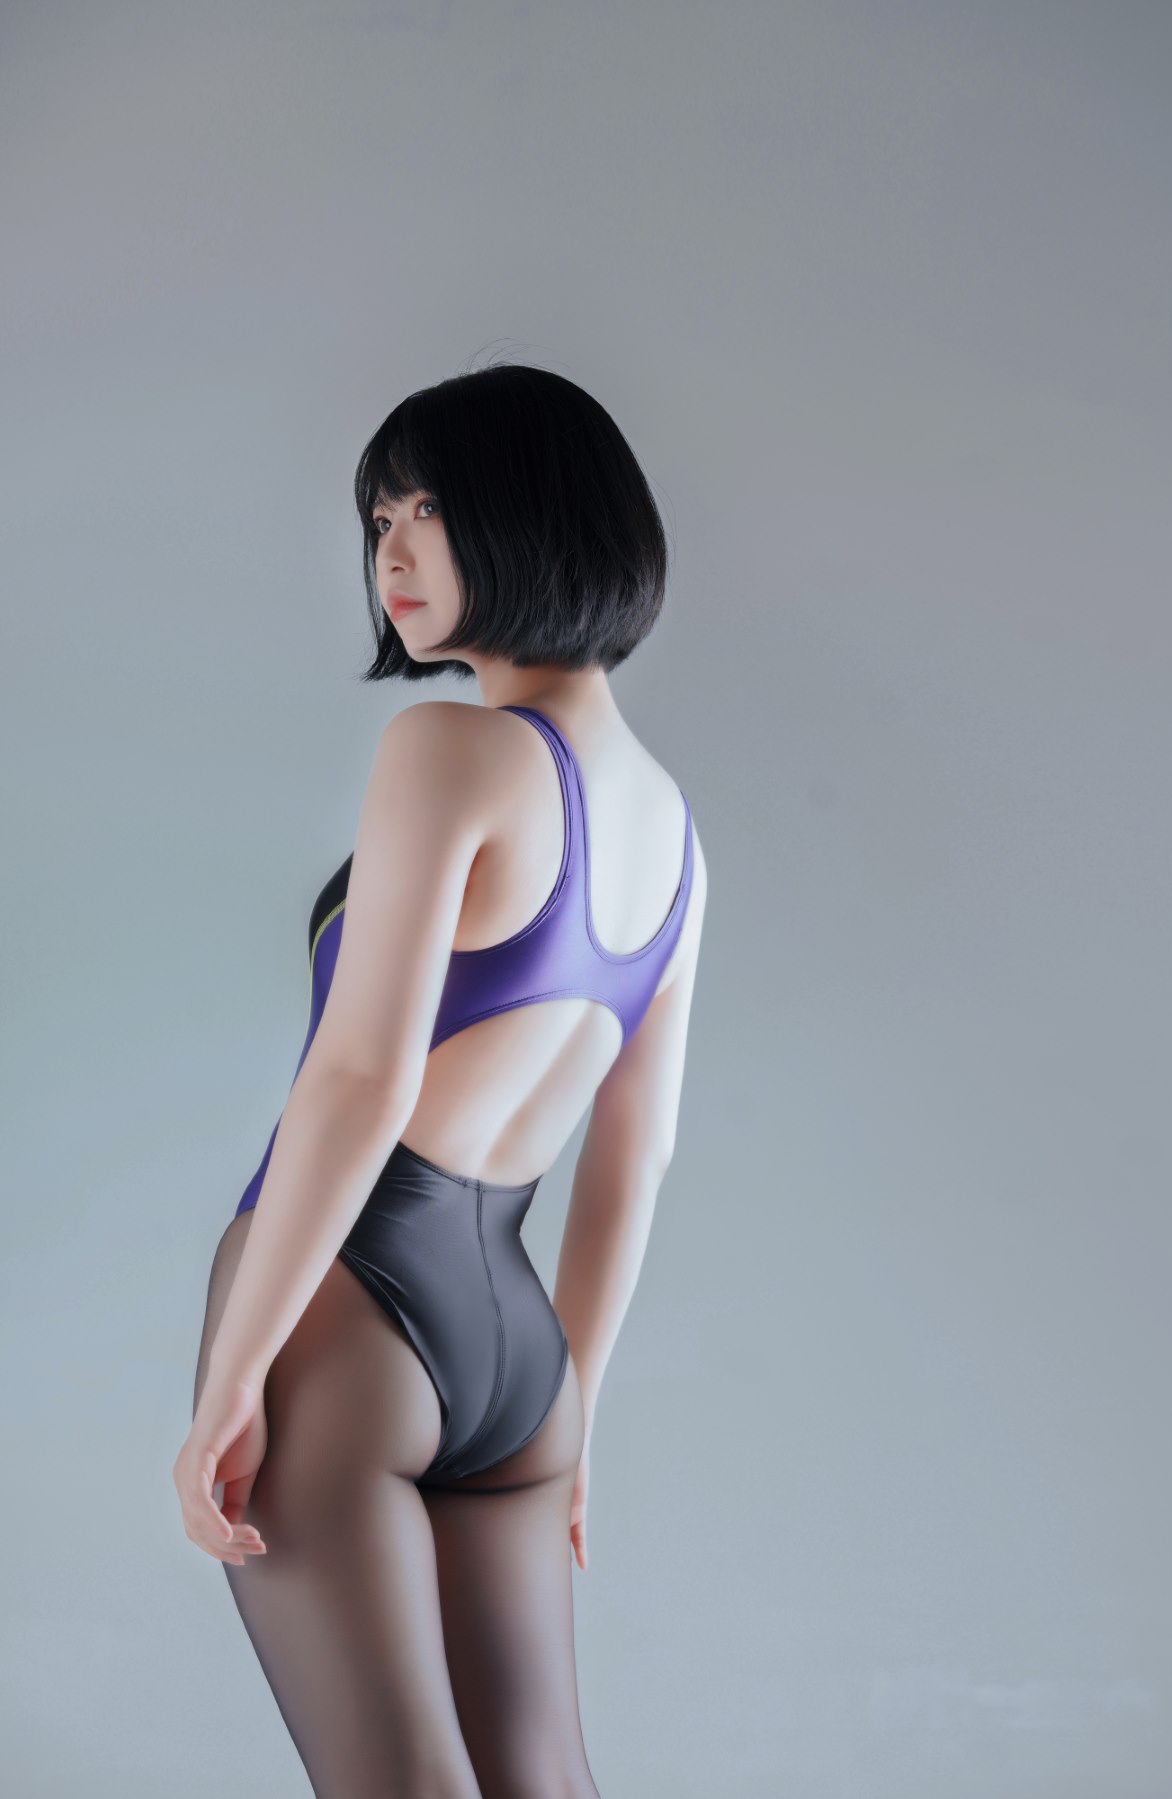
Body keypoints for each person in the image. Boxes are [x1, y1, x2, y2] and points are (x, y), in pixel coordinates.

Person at [173, 362, 707, 1798]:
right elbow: (634, 1155)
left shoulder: (449, 750)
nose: (393, 552)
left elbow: (360, 1076)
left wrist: (234, 1376)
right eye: (378, 518)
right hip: (519, 1349)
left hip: (346, 1311)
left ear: (539, 516)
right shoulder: (672, 830)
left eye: (431, 508)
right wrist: (574, 1409)